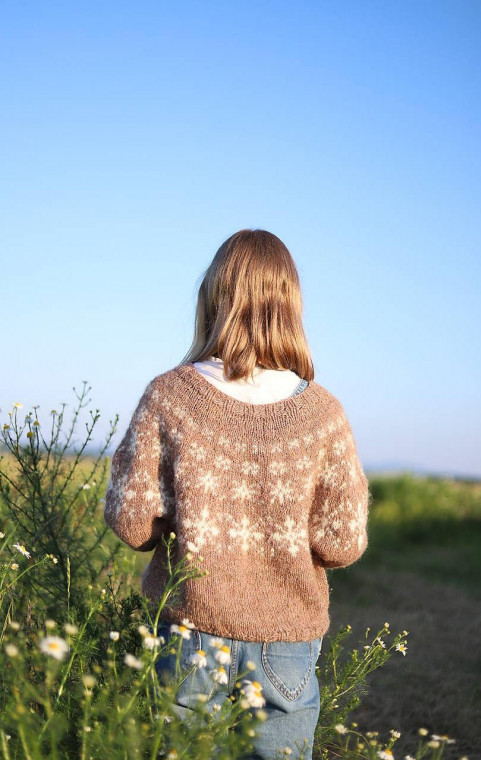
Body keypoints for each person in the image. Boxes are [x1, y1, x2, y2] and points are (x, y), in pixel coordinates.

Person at [103, 228, 371, 759]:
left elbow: (133, 522)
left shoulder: (170, 396)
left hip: (189, 632)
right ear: (290, 307)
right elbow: (342, 543)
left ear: (213, 298)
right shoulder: (323, 414)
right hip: (287, 645)